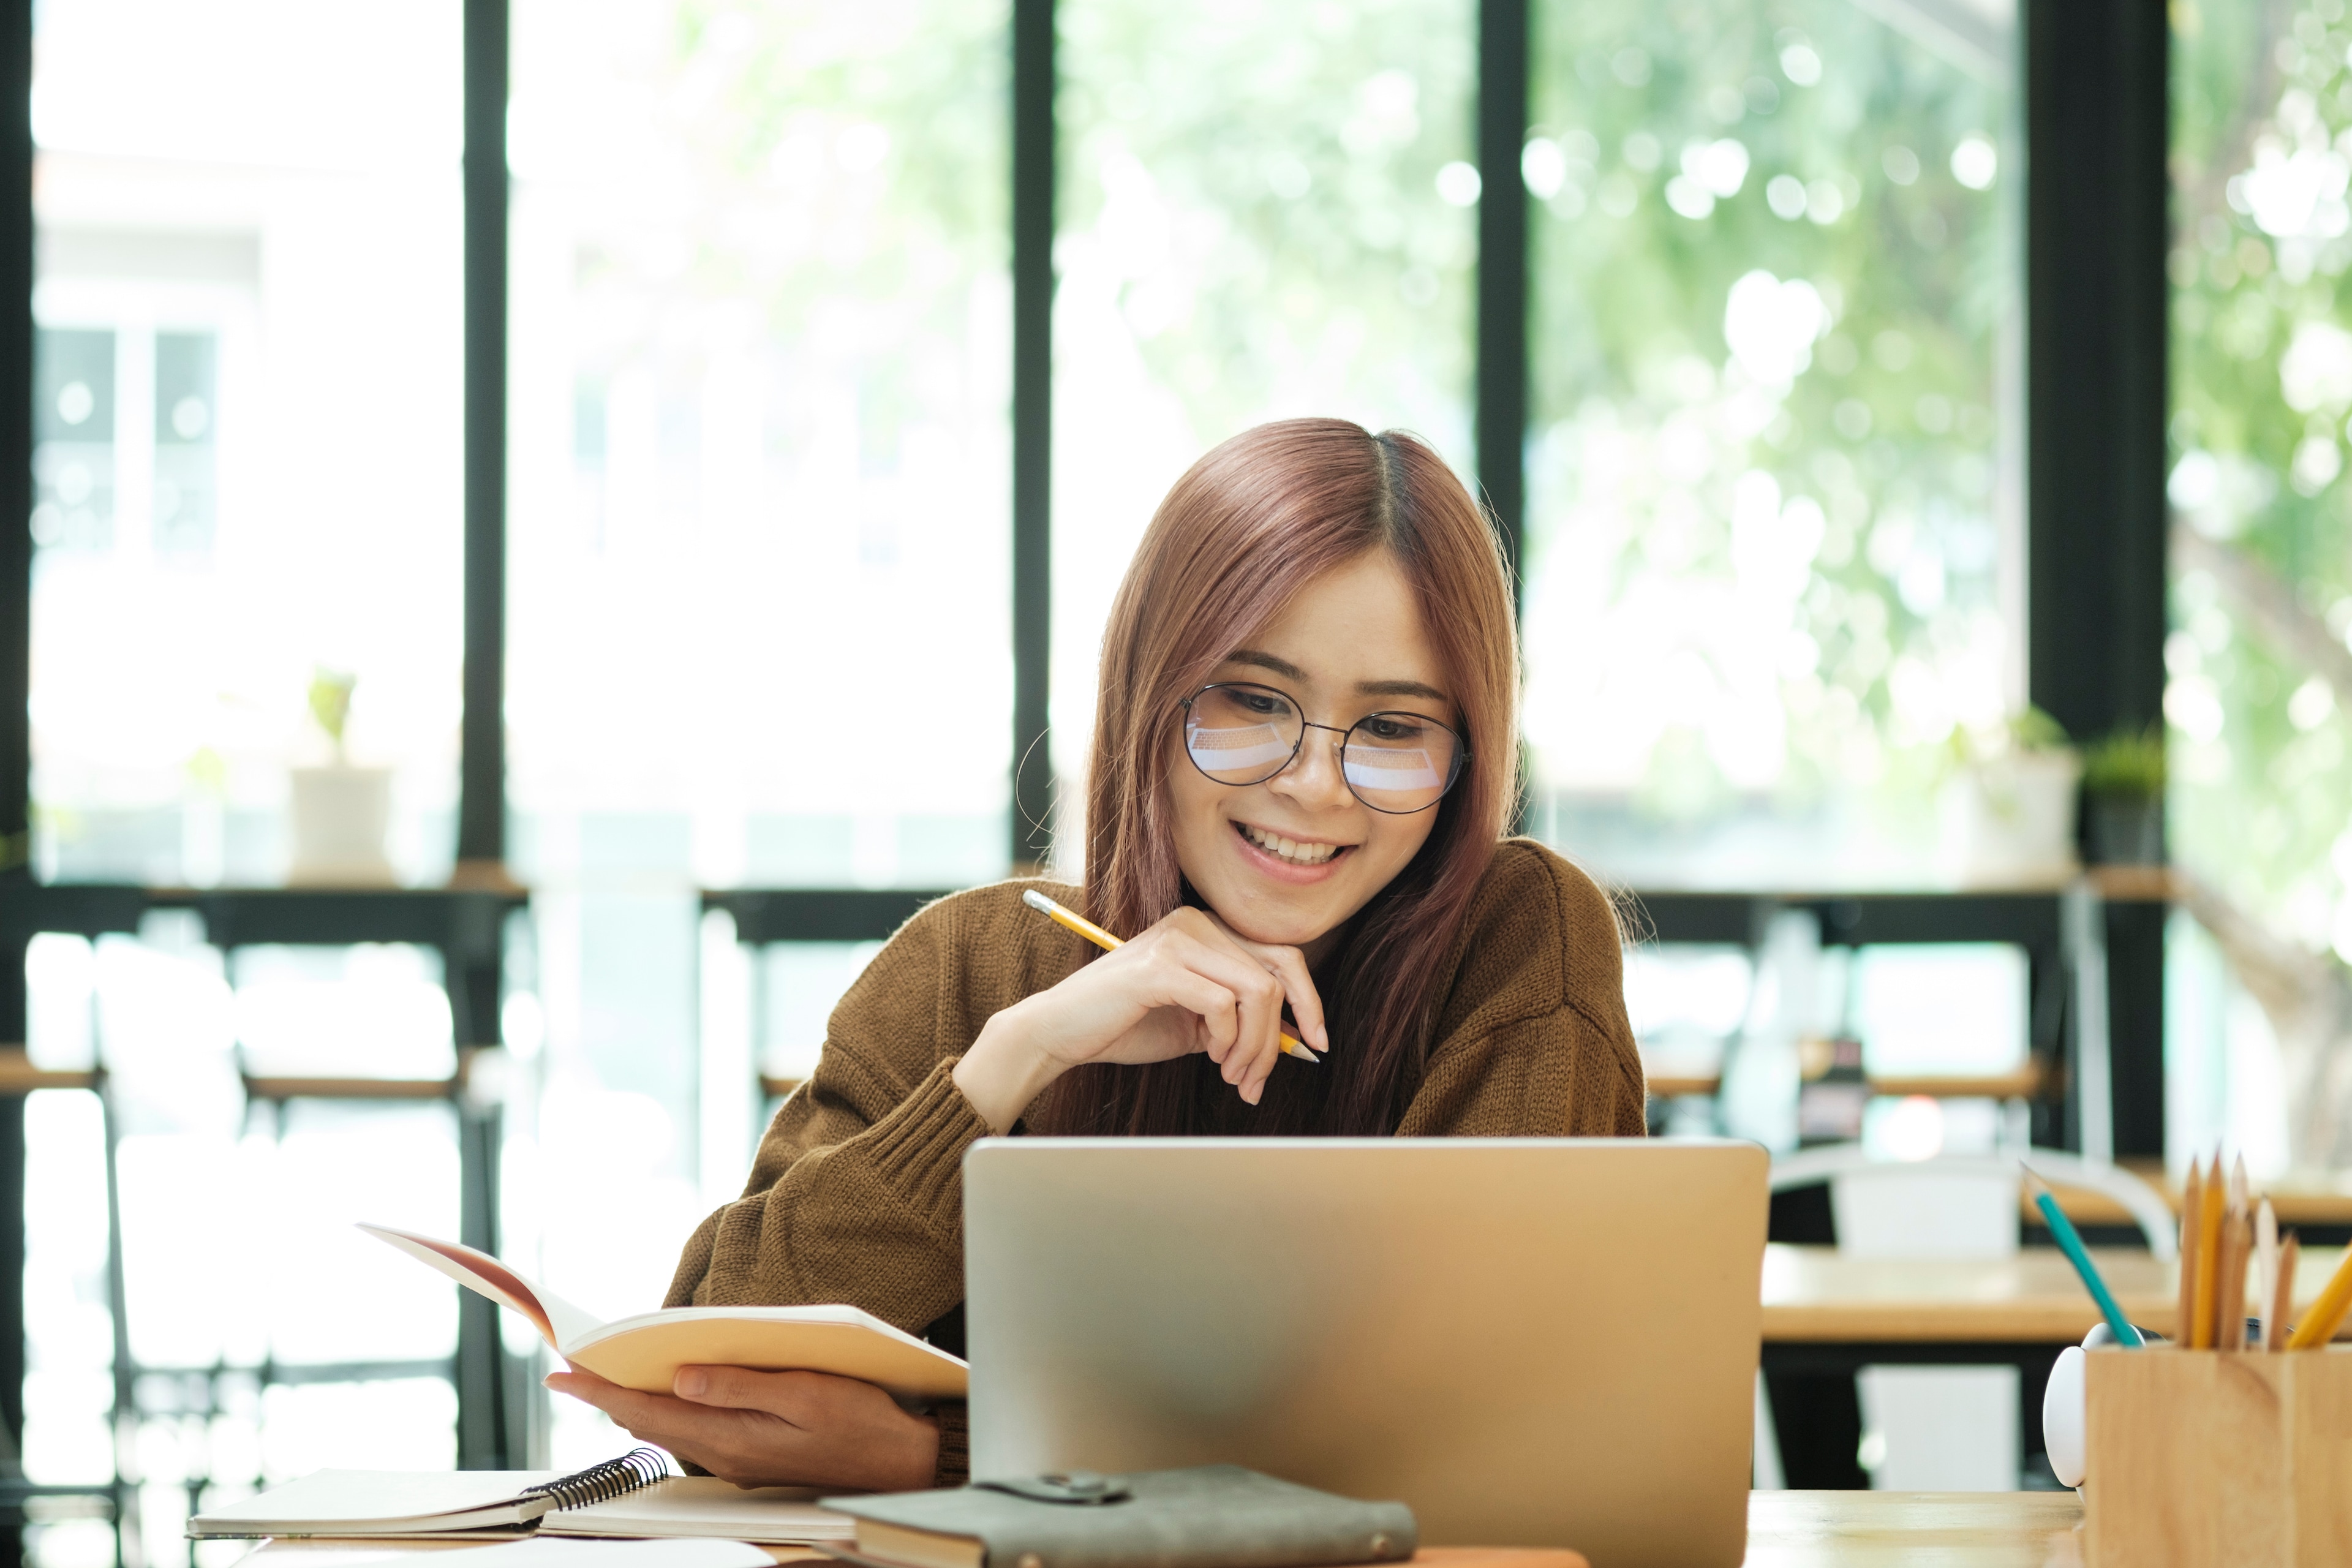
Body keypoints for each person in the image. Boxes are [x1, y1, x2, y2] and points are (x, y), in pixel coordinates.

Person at [550, 417, 1646, 1490]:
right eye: (1253, 703)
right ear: (1147, 702)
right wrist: (1013, 1060)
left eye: (1397, 728)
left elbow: (1470, 1427)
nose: (1316, 785)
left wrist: (938, 1457)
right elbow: (708, 1373)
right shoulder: (972, 965)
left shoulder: (1516, 940)